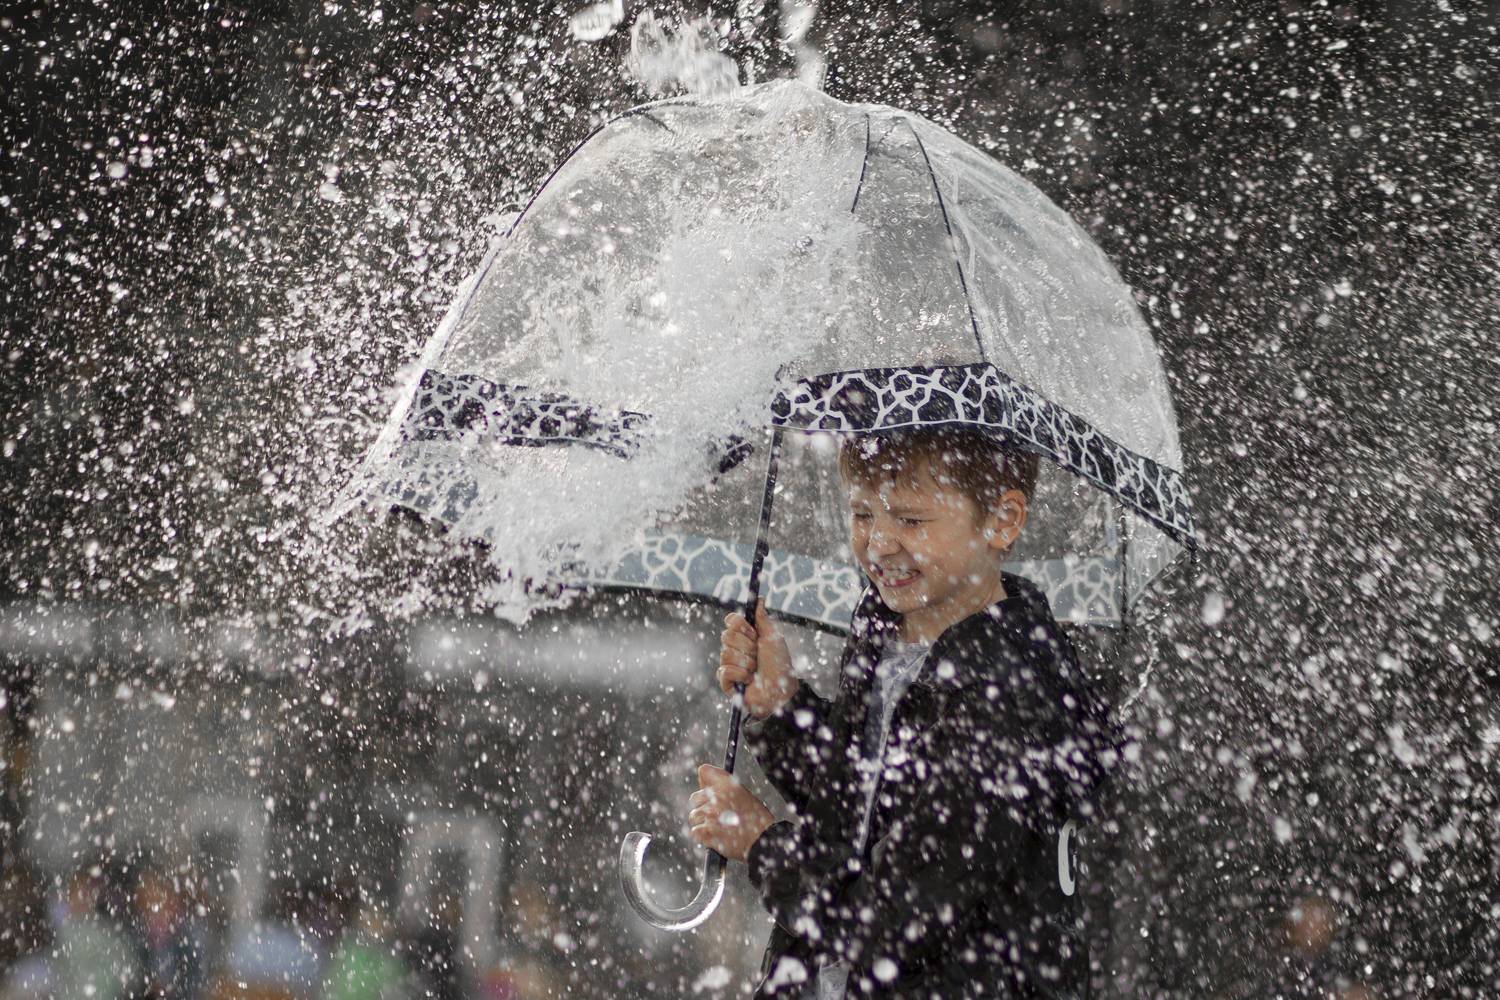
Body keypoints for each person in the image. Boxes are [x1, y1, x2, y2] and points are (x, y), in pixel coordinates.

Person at [687, 427, 1116, 998]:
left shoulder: (1012, 697)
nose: (879, 544)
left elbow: (893, 920)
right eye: (862, 514)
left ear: (1003, 520)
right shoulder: (884, 636)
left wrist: (764, 845)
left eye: (911, 520)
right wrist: (782, 706)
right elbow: (858, 811)